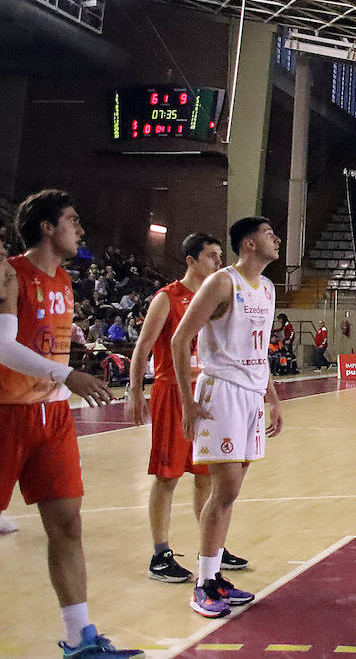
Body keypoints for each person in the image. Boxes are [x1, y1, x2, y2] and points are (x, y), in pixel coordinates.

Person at [0, 189, 144, 657]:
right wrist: (68, 375)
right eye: (72, 220)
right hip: (6, 412)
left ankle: (81, 638)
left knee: (67, 526)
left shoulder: (63, 279)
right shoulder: (11, 274)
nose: (80, 229)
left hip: (54, 415)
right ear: (47, 227)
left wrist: (62, 377)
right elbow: (2, 346)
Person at [172, 217, 284, 619]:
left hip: (252, 395)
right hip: (221, 391)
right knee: (224, 490)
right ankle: (203, 584)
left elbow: (260, 352)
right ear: (249, 243)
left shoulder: (267, 287)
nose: (277, 239)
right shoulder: (223, 283)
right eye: (269, 234)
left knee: (230, 493)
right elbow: (180, 339)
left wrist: (273, 397)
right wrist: (187, 402)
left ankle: (215, 575)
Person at [127, 232, 250, 584]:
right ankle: (160, 554)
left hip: (208, 392)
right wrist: (135, 391)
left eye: (220, 255)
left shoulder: (218, 298)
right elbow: (143, 346)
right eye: (211, 255)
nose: (218, 261)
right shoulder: (167, 298)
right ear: (191, 261)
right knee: (167, 475)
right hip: (171, 391)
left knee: (207, 476)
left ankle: (210, 547)